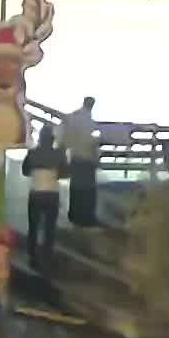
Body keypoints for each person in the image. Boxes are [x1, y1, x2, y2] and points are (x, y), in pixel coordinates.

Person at [22, 129, 66, 263]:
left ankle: (32, 255)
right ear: (52, 140)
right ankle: (47, 255)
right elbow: (65, 173)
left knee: (33, 226)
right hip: (52, 193)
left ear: (40, 139)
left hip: (36, 193)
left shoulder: (33, 153)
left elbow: (25, 171)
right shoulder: (59, 154)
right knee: (50, 228)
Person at [60, 98, 102, 227]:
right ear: (91, 105)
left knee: (76, 188)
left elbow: (64, 137)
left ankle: (74, 215)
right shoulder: (88, 119)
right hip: (87, 158)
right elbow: (91, 140)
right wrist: (96, 154)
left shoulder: (73, 116)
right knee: (89, 190)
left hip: (75, 157)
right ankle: (87, 217)